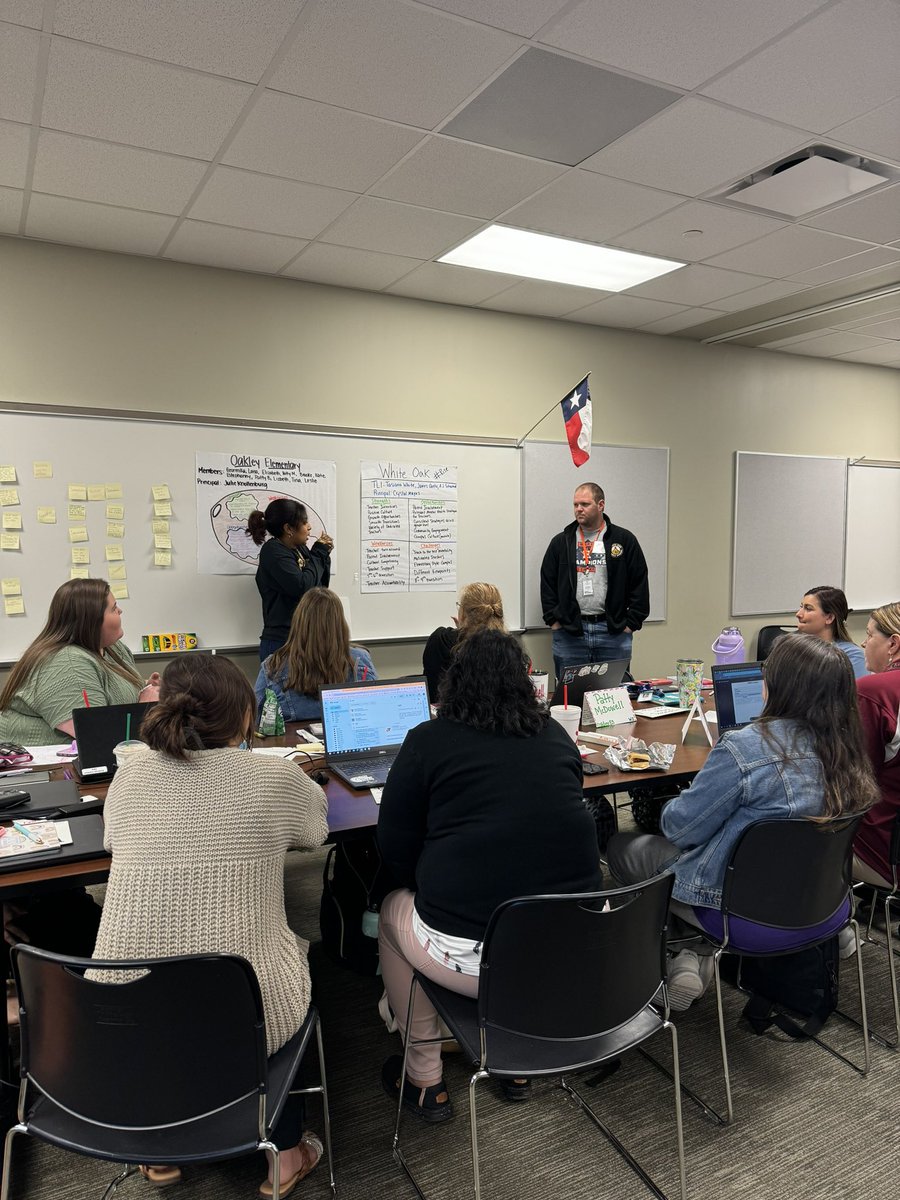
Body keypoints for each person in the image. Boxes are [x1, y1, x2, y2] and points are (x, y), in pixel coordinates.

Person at [91, 653, 329, 1194]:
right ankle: (284, 1155)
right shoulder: (270, 775)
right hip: (249, 1011)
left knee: (162, 993)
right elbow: (316, 829)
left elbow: (111, 841)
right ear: (245, 714)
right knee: (283, 973)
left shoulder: (128, 777)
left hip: (124, 1013)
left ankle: (160, 1150)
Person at [376, 629, 602, 1121]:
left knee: (393, 908)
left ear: (453, 683)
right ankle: (515, 1064)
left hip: (471, 956)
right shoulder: (554, 735)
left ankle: (425, 1080)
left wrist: (430, 875)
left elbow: (392, 845)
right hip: (567, 945)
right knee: (524, 895)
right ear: (526, 684)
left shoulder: (426, 741)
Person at [606, 635, 877, 1011]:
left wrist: (673, 802)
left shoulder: (745, 746)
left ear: (779, 686)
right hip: (823, 907)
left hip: (739, 914)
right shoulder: (849, 750)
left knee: (626, 848)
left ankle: (684, 953)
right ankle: (691, 955)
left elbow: (680, 830)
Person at [0, 578, 159, 746]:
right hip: (41, 767)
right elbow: (98, 737)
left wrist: (145, 687)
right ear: (91, 620)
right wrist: (146, 706)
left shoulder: (113, 648)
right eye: (113, 608)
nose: (120, 611)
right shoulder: (68, 663)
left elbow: (106, 690)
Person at [540, 482, 649, 680]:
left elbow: (639, 582)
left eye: (585, 504)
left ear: (601, 505)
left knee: (613, 695)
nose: (578, 509)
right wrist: (554, 621)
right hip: (570, 632)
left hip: (612, 632)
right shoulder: (561, 542)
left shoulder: (623, 540)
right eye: (575, 505)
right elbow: (547, 583)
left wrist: (630, 624)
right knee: (569, 698)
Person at [255, 587, 376, 723]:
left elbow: (255, 720)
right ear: (340, 623)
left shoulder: (273, 666)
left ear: (298, 623)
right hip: (349, 742)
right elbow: (376, 712)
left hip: (291, 743)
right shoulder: (360, 660)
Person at [246, 499, 334, 661]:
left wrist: (323, 554)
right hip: (282, 642)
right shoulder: (273, 551)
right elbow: (302, 587)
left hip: (307, 638)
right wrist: (318, 553)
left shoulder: (299, 549)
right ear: (288, 529)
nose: (309, 527)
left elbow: (319, 587)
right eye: (304, 522)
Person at [853, 601, 900, 887]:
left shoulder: (874, 691)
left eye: (870, 635)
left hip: (881, 854)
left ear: (893, 643)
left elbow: (853, 778)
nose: (863, 642)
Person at [421, 581, 505, 699]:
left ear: (463, 614)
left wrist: (461, 632)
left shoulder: (441, 640)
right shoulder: (508, 649)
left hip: (453, 714)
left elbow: (432, 692)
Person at [796, 585, 867, 678]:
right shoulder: (794, 649)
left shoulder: (851, 655)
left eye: (808, 608)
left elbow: (857, 691)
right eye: (801, 607)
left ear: (829, 618)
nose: (798, 614)